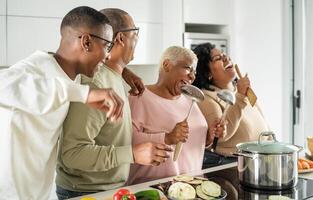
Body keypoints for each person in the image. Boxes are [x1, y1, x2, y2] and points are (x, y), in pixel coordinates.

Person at [0, 6, 127, 200]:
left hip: (39, 192)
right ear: (86, 42)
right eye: (107, 46)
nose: (108, 55)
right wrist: (84, 94)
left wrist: (126, 73)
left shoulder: (71, 77)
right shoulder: (32, 69)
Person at [55, 8, 172, 200]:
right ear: (120, 39)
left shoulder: (112, 75)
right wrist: (133, 153)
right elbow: (73, 154)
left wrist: (124, 71)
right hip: (86, 192)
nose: (137, 40)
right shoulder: (95, 83)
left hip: (105, 188)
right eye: (135, 33)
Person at [127, 46, 226, 185]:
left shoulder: (189, 99)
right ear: (167, 65)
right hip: (154, 189)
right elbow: (125, 140)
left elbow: (192, 142)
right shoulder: (139, 96)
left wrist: (209, 137)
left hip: (192, 186)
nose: (192, 76)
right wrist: (167, 138)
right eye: (188, 68)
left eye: (194, 72)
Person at [192, 42, 270, 168]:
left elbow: (264, 123)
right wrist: (240, 97)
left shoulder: (239, 90)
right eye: (218, 58)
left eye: (224, 55)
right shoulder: (207, 99)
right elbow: (221, 138)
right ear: (207, 73)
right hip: (235, 168)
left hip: (261, 163)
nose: (226, 58)